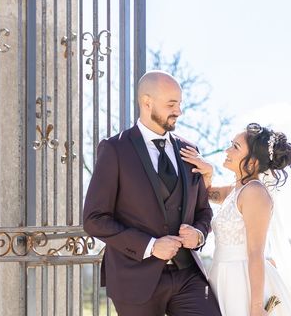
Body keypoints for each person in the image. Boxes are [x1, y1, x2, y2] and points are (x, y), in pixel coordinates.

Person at [83, 70, 222, 316]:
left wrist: (199, 234)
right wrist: (150, 245)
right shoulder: (115, 149)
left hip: (187, 274)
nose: (178, 111)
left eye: (179, 103)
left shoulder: (190, 151)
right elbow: (94, 220)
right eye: (171, 104)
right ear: (147, 102)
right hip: (134, 278)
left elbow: (203, 210)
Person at [181, 123, 291, 316]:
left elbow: (255, 253)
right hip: (222, 275)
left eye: (235, 147)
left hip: (242, 282)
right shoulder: (235, 190)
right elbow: (207, 194)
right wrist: (208, 172)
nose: (227, 150)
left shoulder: (255, 193)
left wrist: (256, 307)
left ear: (252, 162)